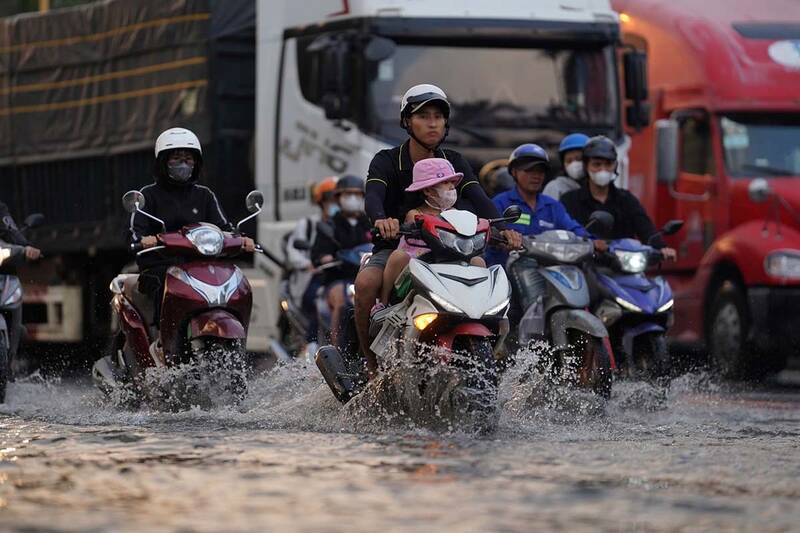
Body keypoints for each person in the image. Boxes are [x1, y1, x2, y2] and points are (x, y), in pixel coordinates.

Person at [356, 83, 522, 379]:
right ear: (407, 121)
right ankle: (371, 362)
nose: (432, 122)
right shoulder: (386, 160)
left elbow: (480, 198)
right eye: (423, 115)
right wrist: (383, 219)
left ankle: (491, 347)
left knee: (482, 267)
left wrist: (505, 228)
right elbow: (373, 196)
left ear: (446, 122)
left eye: (438, 116)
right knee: (367, 282)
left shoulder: (454, 162)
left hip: (451, 247)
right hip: (400, 246)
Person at [131, 127, 255, 355]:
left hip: (201, 265)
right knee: (162, 281)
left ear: (196, 163)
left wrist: (241, 239)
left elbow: (224, 229)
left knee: (235, 279)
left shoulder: (204, 195)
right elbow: (134, 232)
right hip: (162, 264)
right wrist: (145, 240)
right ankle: (161, 342)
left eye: (188, 159)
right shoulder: (148, 196)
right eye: (176, 159)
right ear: (163, 162)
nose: (183, 164)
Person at [379, 158, 486, 306]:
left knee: (478, 261)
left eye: (452, 183)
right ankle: (382, 303)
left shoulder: (456, 213)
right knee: (397, 256)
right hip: (420, 260)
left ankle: (481, 305)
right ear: (428, 190)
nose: (451, 187)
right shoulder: (414, 214)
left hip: (451, 258)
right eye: (445, 182)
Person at [560, 136, 677, 260]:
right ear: (586, 166)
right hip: (584, 267)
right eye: (597, 164)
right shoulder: (570, 200)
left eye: (608, 164)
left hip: (623, 266)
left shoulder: (626, 199)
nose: (602, 170)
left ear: (615, 166)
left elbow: (645, 228)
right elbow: (562, 234)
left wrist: (661, 248)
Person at [486, 143, 600, 267]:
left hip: (548, 276)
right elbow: (487, 233)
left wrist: (593, 241)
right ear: (514, 172)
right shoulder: (500, 202)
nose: (536, 175)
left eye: (540, 170)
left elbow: (573, 229)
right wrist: (502, 239)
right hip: (508, 277)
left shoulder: (553, 206)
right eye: (529, 170)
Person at [310, 175, 372, 347]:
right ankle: (338, 350)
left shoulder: (370, 223)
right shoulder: (329, 225)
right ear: (338, 198)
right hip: (338, 279)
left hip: (367, 278)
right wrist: (324, 257)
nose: (352, 198)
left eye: (356, 194)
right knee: (343, 302)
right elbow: (317, 255)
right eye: (347, 194)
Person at [285, 176, 338, 356]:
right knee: (318, 301)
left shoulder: (347, 225)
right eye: (331, 199)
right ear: (321, 202)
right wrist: (308, 264)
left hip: (339, 277)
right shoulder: (307, 225)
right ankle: (312, 344)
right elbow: (293, 250)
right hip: (312, 279)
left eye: (338, 199)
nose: (335, 204)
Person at [542, 133, 589, 201]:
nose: (574, 164)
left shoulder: (600, 186)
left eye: (578, 159)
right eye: (569, 161)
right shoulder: (555, 187)